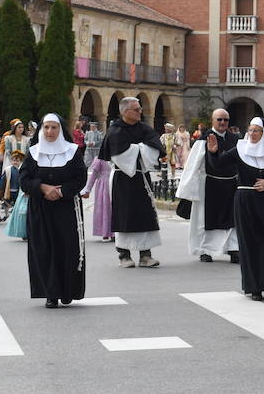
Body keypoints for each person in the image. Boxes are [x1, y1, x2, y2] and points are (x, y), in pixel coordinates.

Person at [208, 118, 264, 301]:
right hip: (245, 202)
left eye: (256, 130)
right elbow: (219, 165)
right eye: (249, 130)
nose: (251, 134)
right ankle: (254, 287)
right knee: (250, 245)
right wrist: (214, 152)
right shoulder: (240, 150)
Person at [21, 114, 87, 309]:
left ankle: (67, 291)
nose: (50, 132)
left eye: (54, 128)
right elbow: (24, 180)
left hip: (66, 207)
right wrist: (43, 188)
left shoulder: (72, 151)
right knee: (44, 249)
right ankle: (50, 293)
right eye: (46, 127)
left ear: (61, 129)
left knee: (66, 249)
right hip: (40, 209)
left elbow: (80, 177)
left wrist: (61, 191)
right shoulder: (33, 152)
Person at [98, 97, 164, 267]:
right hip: (123, 178)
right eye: (136, 109)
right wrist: (141, 148)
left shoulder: (144, 128)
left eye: (140, 109)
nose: (140, 112)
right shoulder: (115, 131)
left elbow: (154, 148)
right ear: (125, 112)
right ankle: (124, 255)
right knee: (124, 214)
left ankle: (145, 255)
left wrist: (138, 149)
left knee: (145, 214)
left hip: (141, 177)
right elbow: (119, 155)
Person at [176, 109, 241, 264]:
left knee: (233, 219)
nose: (223, 123)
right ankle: (205, 250)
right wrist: (188, 188)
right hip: (209, 185)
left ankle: (233, 249)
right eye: (219, 119)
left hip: (231, 184)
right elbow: (193, 165)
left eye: (226, 120)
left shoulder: (235, 139)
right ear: (213, 121)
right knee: (205, 220)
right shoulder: (203, 140)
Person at [81, 144, 114, 242]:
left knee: (113, 209)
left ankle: (113, 232)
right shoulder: (100, 159)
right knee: (105, 209)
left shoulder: (117, 158)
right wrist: (87, 189)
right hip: (104, 187)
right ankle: (106, 232)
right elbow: (93, 176)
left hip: (114, 185)